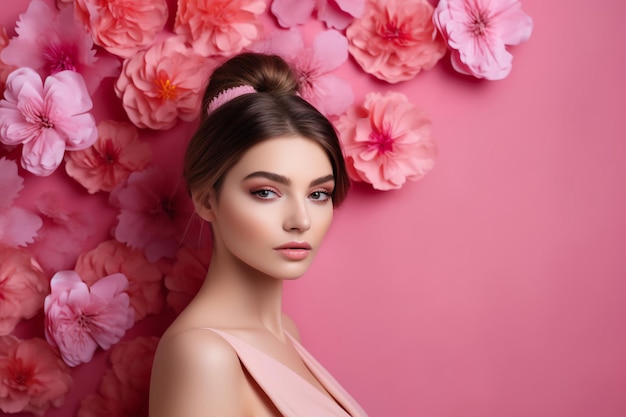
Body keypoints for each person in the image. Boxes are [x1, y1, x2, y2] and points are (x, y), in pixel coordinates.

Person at [149, 52, 368, 417]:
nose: (301, 220)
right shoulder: (204, 356)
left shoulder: (285, 332)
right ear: (207, 201)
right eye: (266, 191)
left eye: (318, 194)